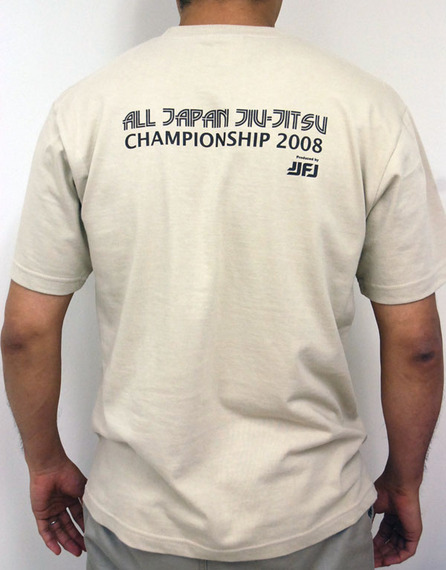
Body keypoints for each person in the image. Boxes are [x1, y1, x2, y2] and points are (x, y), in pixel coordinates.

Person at [2, 0, 445, 568]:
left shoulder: (86, 109)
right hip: (312, 518)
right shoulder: (369, 109)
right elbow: (417, 345)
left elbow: (25, 332)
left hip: (140, 522)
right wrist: (405, 481)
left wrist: (44, 462)